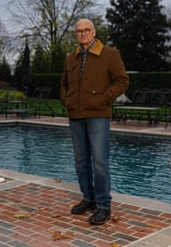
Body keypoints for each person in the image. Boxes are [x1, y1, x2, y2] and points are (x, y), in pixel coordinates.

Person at [60, 18, 129, 225]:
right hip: (76, 116)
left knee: (99, 161)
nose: (82, 33)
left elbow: (122, 81)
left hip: (98, 115)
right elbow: (63, 84)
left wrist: (104, 99)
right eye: (79, 31)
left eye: (86, 30)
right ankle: (88, 199)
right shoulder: (70, 58)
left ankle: (103, 206)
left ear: (94, 32)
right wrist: (67, 101)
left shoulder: (109, 54)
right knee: (81, 162)